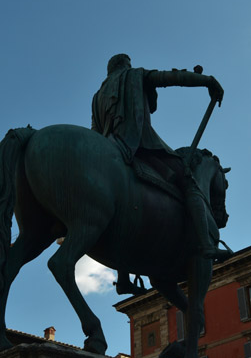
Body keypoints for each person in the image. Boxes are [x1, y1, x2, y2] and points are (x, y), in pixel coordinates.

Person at [91, 54, 231, 294]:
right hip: (140, 145)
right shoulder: (135, 75)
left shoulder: (97, 96)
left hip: (110, 150)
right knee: (188, 180)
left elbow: (95, 131)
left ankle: (123, 278)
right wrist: (207, 80)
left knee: (120, 203)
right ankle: (206, 244)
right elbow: (171, 78)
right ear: (126, 65)